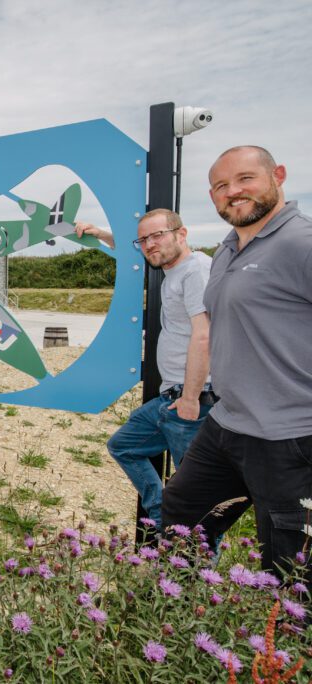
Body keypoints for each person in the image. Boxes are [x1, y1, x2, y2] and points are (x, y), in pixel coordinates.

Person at [162, 146, 312, 578]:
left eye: (245, 179)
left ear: (278, 175)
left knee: (289, 561)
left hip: (288, 434)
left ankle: (281, 643)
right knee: (183, 509)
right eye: (221, 186)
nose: (233, 192)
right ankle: (182, 605)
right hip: (228, 424)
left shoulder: (300, 243)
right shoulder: (228, 249)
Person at [75, 209, 212, 529]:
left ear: (182, 233)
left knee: (195, 496)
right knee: (123, 446)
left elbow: (204, 335)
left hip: (193, 401)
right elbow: (132, 245)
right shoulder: (172, 266)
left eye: (158, 235)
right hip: (170, 400)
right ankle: (165, 519)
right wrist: (100, 234)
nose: (150, 244)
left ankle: (194, 565)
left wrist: (191, 398)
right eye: (144, 239)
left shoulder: (197, 271)